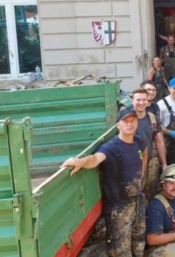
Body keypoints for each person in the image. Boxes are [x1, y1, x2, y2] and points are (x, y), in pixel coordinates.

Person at [62, 108, 148, 257]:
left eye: (132, 120)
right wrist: (81, 161)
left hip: (138, 201)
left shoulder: (139, 141)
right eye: (125, 121)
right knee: (120, 251)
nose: (130, 124)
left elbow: (145, 151)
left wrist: (143, 171)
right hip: (119, 207)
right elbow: (95, 159)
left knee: (139, 243)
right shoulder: (111, 147)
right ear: (118, 125)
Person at [132, 88, 168, 202]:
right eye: (138, 100)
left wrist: (164, 163)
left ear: (148, 101)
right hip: (132, 162)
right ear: (132, 101)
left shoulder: (153, 119)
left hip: (150, 161)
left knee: (150, 191)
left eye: (144, 100)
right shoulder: (127, 118)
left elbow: (159, 141)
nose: (141, 103)